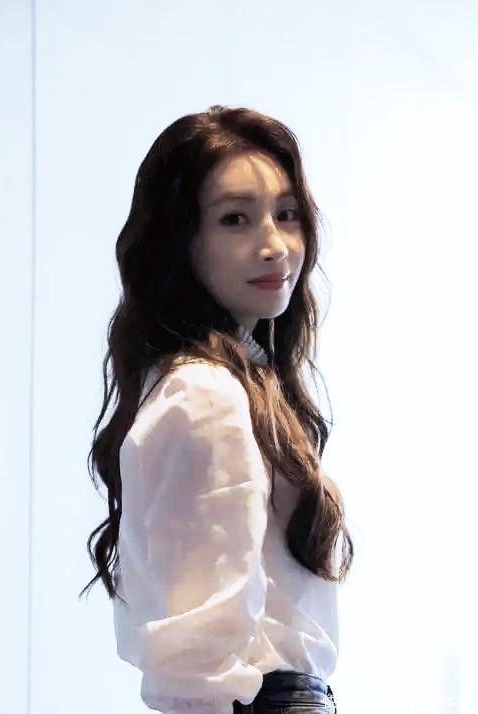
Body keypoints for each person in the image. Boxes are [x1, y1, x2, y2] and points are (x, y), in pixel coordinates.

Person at [79, 104, 354, 713]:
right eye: (235, 219)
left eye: (287, 214)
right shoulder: (206, 395)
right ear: (182, 242)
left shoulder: (232, 384)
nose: (274, 245)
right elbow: (199, 663)